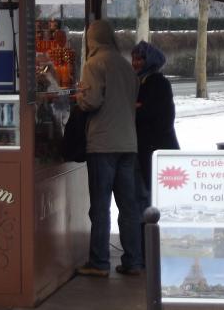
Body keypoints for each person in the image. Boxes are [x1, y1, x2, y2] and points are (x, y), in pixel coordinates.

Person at [75, 20, 142, 278]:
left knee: (101, 206)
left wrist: (79, 98)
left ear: (91, 40)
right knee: (128, 206)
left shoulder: (94, 64)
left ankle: (99, 262)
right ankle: (134, 261)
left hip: (103, 143)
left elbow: (91, 101)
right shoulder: (126, 66)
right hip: (128, 143)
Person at [130, 40, 179, 216]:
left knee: (152, 197)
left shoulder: (157, 83)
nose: (135, 62)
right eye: (133, 58)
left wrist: (137, 109)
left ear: (150, 60)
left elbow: (159, 116)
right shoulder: (139, 82)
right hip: (148, 149)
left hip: (157, 150)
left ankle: (149, 240)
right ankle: (146, 240)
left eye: (140, 59)